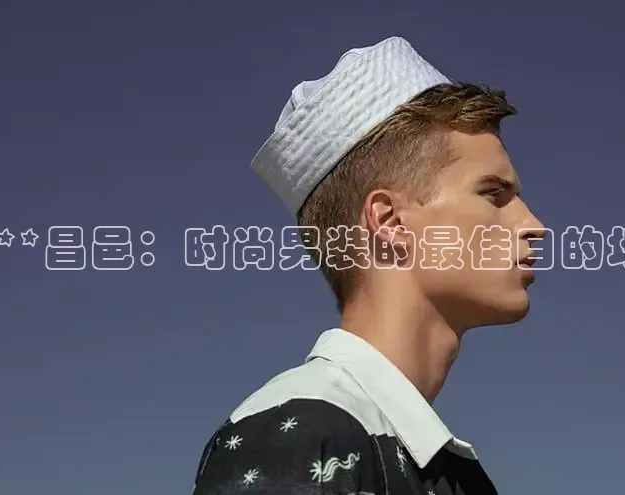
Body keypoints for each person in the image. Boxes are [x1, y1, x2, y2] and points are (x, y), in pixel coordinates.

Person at [191, 36, 544, 494]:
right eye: (494, 195)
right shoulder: (294, 437)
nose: (533, 225)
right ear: (389, 220)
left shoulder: (452, 472)